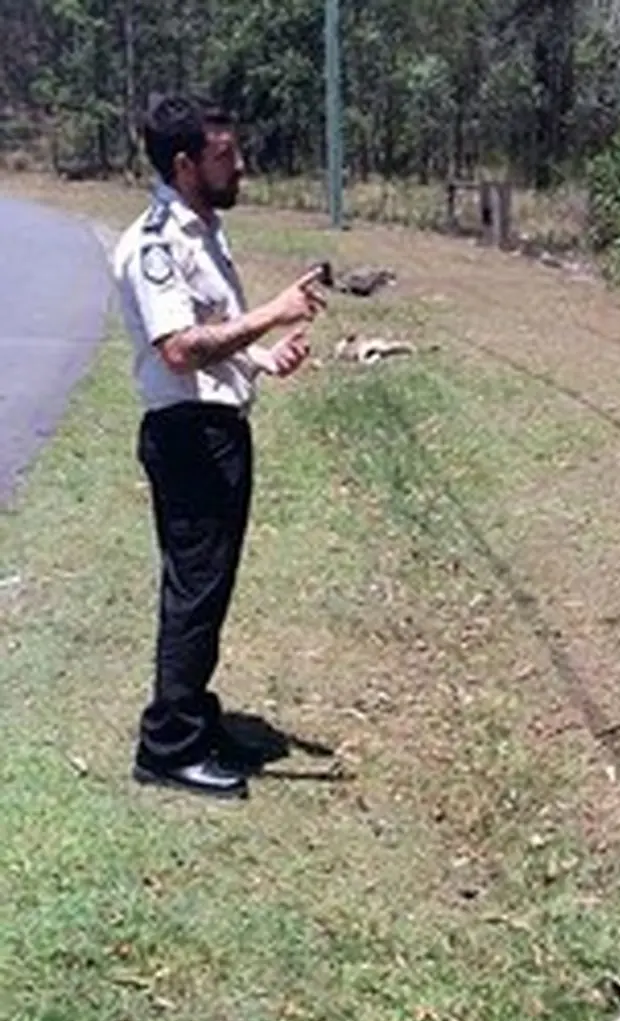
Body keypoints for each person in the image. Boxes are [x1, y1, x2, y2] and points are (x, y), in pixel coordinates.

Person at [112, 94, 326, 799]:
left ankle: (196, 720)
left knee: (209, 587)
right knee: (194, 590)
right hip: (189, 439)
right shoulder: (156, 245)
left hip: (216, 430)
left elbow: (211, 331)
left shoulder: (204, 230)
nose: (241, 166)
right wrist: (272, 313)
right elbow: (178, 350)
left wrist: (261, 358)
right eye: (224, 156)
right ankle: (168, 748)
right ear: (184, 165)